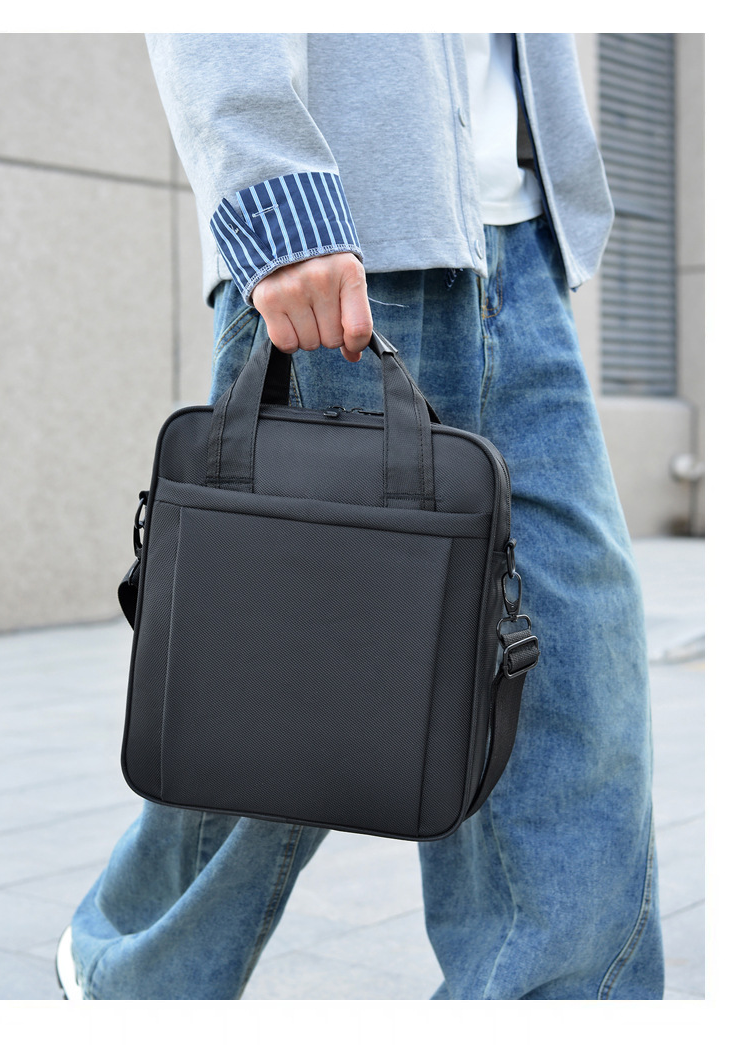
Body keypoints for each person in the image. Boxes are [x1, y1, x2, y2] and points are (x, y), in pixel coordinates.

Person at [56, 33, 664, 1000]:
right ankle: (130, 976)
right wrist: (270, 191)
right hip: (340, 249)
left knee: (573, 685)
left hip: (520, 257)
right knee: (287, 719)